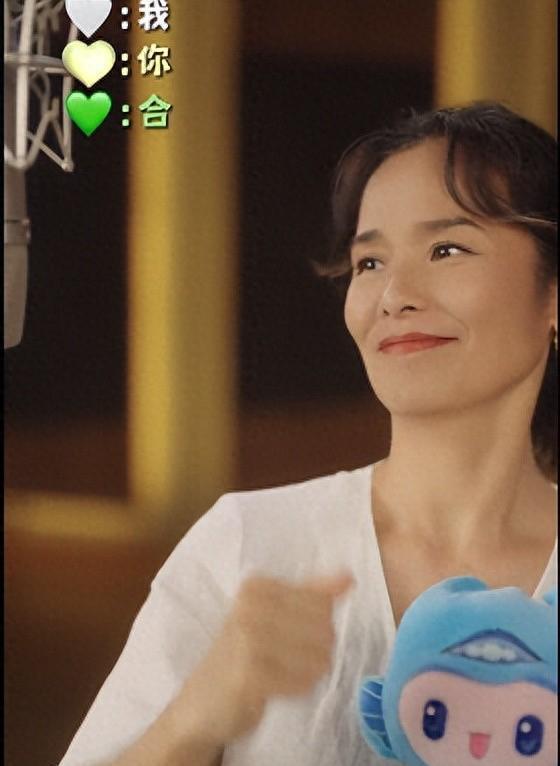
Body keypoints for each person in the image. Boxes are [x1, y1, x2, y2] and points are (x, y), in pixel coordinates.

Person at [58, 102, 558, 766]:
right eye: (369, 262)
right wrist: (194, 717)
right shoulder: (250, 546)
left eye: (446, 249)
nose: (393, 295)